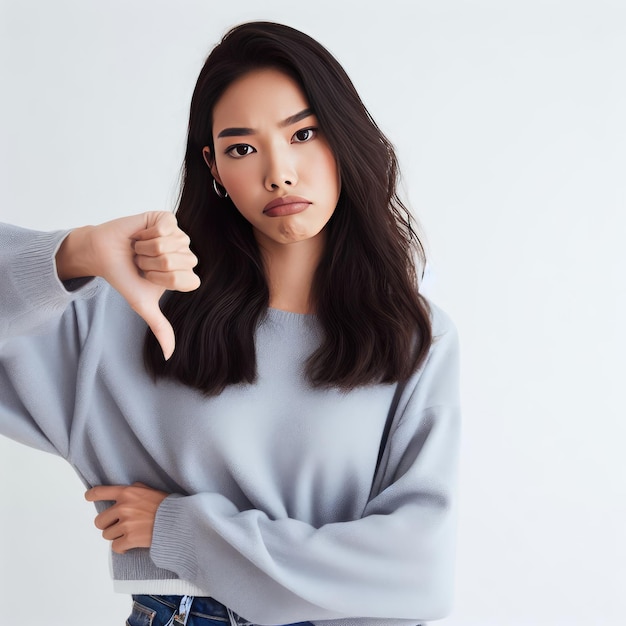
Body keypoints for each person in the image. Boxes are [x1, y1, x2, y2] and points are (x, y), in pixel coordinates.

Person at [0, 21, 460, 626]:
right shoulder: (135, 311)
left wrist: (186, 531)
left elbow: (418, 571)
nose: (279, 172)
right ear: (214, 167)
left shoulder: (412, 335)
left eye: (303, 133)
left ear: (346, 140)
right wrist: (74, 253)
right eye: (243, 147)